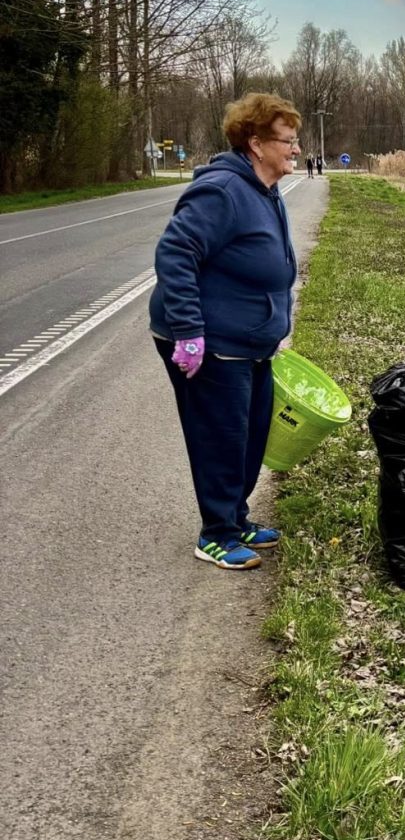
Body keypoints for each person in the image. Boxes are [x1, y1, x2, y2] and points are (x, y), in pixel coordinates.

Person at [149, 92, 301, 570]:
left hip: (251, 344)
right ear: (256, 143)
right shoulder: (223, 191)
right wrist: (190, 332)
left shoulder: (264, 188)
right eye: (288, 141)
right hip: (211, 344)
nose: (296, 149)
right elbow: (175, 253)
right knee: (222, 436)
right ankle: (216, 533)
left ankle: (235, 517)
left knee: (254, 433)